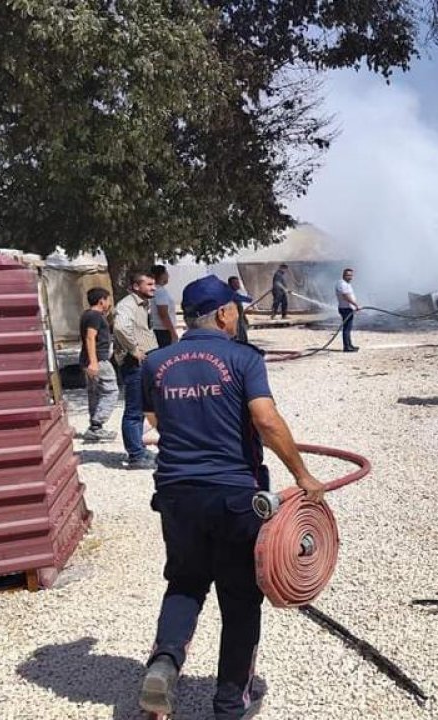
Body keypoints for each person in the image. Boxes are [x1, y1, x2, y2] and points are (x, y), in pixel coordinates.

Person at [137, 275, 325, 719]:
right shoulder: (243, 358)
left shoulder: (155, 363)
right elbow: (266, 419)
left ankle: (164, 663)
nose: (238, 315)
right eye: (235, 309)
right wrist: (303, 475)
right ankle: (229, 704)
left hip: (177, 493)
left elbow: (155, 419)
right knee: (239, 598)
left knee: (185, 583)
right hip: (234, 495)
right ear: (223, 313)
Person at [113, 272, 159, 468]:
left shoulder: (143, 304)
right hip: (134, 364)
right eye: (148, 284)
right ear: (135, 286)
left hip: (146, 361)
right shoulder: (127, 305)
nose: (153, 287)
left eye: (153, 284)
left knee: (141, 409)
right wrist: (134, 350)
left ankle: (138, 447)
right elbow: (120, 328)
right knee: (134, 410)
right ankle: (136, 456)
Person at [79, 287, 118, 442]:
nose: (109, 303)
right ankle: (97, 423)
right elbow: (90, 337)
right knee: (111, 391)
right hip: (99, 360)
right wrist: (94, 362)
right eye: (108, 300)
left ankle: (94, 428)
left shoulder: (88, 315)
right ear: (102, 301)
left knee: (94, 393)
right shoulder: (95, 316)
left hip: (87, 359)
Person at [150, 264, 178, 348]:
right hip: (164, 331)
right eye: (166, 273)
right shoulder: (160, 291)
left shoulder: (156, 290)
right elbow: (163, 314)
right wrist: (172, 332)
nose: (168, 276)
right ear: (162, 275)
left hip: (161, 330)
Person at [334, 267, 360, 352]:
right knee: (347, 328)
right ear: (344, 275)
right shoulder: (342, 284)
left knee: (348, 328)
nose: (350, 277)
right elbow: (346, 296)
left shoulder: (346, 284)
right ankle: (347, 347)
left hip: (348, 308)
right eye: (348, 275)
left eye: (351, 275)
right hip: (345, 309)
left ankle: (349, 345)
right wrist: (356, 305)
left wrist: (354, 306)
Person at [226, 276, 253, 343]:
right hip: (234, 321)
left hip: (240, 320)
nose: (237, 284)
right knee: (237, 339)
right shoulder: (230, 294)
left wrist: (244, 318)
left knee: (242, 338)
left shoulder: (236, 294)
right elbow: (248, 300)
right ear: (230, 284)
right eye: (235, 283)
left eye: (238, 282)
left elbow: (240, 308)